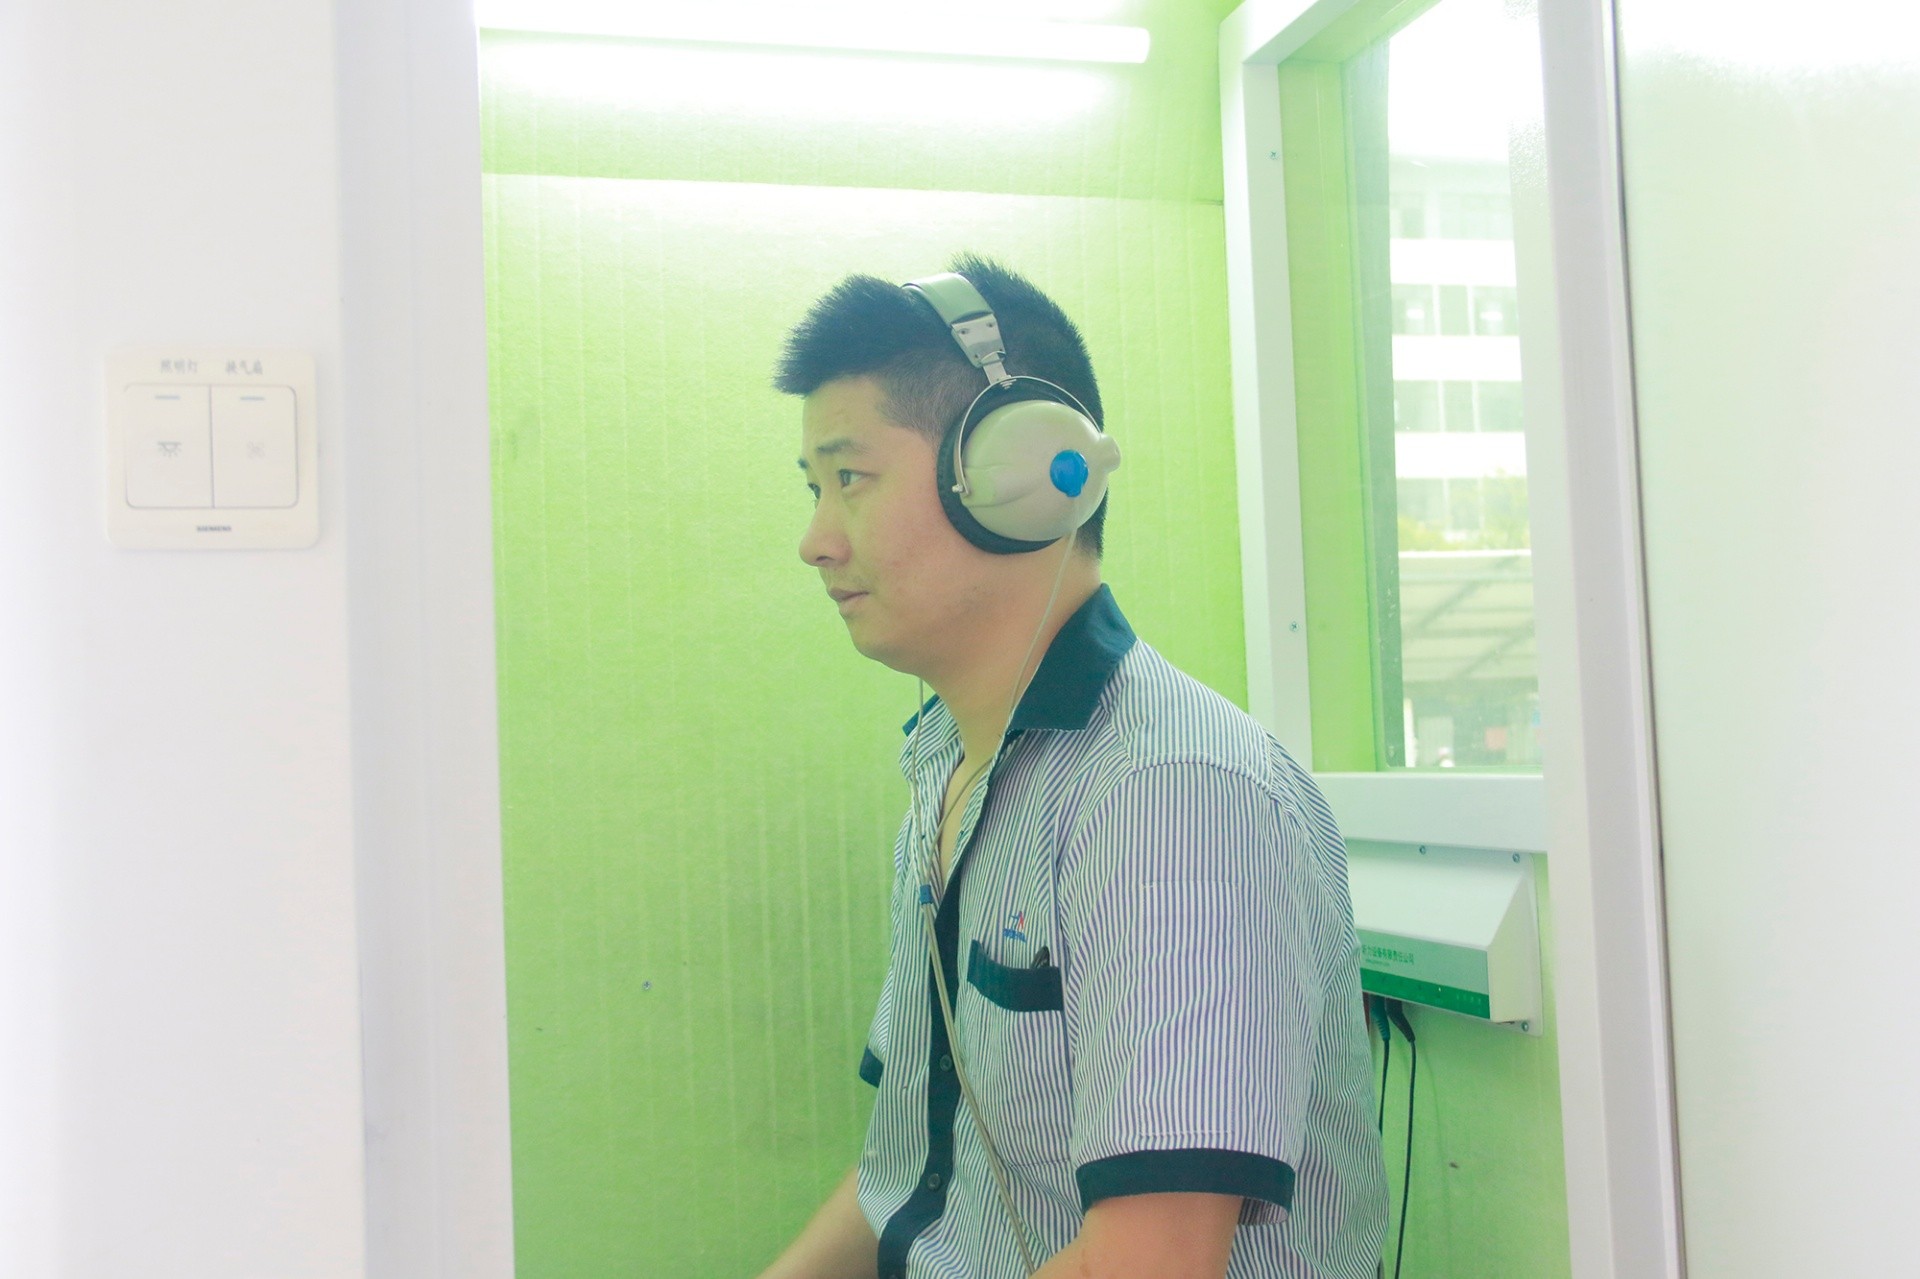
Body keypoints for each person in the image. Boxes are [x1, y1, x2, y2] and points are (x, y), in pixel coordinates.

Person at [759, 256, 1387, 1279]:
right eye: (813, 489)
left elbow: (1150, 1262)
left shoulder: (1170, 798)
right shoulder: (944, 767)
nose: (816, 540)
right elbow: (910, 1175)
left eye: (851, 480)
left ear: (1015, 474)